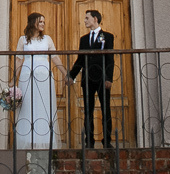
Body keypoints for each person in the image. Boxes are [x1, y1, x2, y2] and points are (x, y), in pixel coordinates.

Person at [13, 12, 66, 149]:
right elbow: (19, 60)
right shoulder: (23, 39)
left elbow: (54, 57)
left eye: (43, 22)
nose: (42, 24)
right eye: (40, 21)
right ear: (33, 22)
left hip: (43, 76)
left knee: (44, 107)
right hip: (26, 75)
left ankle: (44, 140)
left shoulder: (47, 39)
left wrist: (65, 73)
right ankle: (27, 140)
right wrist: (13, 79)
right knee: (28, 107)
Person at [67, 9, 114, 148]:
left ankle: (107, 141)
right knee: (88, 111)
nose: (85, 21)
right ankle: (89, 141)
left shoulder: (107, 36)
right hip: (87, 79)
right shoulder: (83, 39)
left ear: (95, 19)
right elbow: (80, 60)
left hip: (102, 78)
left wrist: (109, 78)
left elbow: (110, 59)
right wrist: (71, 75)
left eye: (87, 18)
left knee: (106, 109)